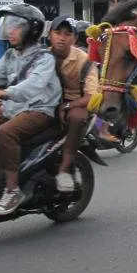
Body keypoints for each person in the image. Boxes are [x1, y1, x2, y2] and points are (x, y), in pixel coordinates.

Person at [0, 4, 62, 216]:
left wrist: (5, 93)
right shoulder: (11, 56)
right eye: (7, 25)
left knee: (5, 133)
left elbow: (34, 85)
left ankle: (12, 191)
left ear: (33, 30)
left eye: (16, 26)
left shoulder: (44, 58)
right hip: (14, 108)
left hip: (39, 110)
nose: (10, 30)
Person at [48, 16, 100, 192]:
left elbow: (92, 95)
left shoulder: (84, 60)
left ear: (74, 39)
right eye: (58, 33)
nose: (62, 38)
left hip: (77, 104)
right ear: (50, 35)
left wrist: (68, 106)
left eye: (67, 34)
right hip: (50, 104)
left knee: (76, 118)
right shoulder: (43, 58)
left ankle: (64, 170)